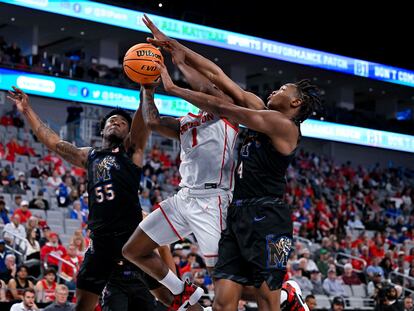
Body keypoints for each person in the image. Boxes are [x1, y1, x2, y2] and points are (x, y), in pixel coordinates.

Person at [144, 14, 321, 311]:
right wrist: (176, 49)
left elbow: (224, 106)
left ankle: (288, 294)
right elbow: (217, 77)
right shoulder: (260, 107)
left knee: (267, 300)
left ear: (296, 103)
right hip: (236, 211)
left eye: (283, 90)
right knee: (223, 301)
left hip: (267, 214)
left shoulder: (285, 127)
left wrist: (174, 89)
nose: (274, 90)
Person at [7, 86, 175, 311]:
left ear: (128, 134)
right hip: (101, 243)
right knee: (82, 307)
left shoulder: (132, 152)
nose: (116, 123)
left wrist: (147, 91)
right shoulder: (89, 155)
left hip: (132, 240)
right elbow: (53, 141)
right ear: (103, 129)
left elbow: (142, 124)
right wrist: (27, 110)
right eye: (112, 121)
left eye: (122, 123)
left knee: (171, 299)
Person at [122, 22, 239, 311]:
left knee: (224, 286)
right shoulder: (185, 121)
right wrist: (147, 88)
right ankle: (184, 293)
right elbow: (152, 121)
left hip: (215, 202)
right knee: (133, 250)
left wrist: (177, 63)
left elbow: (208, 87)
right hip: (184, 198)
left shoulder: (228, 112)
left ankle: (284, 296)